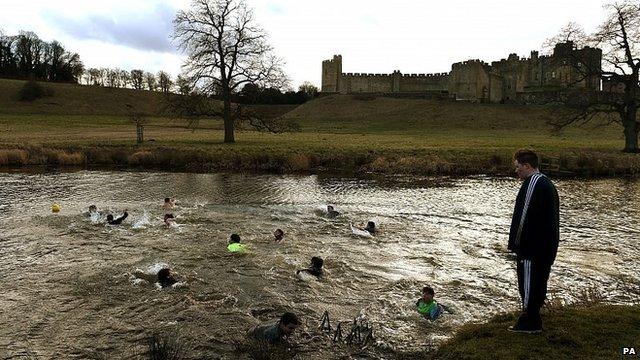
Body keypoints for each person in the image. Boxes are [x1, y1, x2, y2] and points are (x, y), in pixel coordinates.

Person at [507, 149, 559, 333]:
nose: (516, 171)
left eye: (517, 167)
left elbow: (523, 216)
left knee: (527, 284)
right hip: (545, 247)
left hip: (532, 248)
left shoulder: (533, 183)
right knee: (538, 283)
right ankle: (533, 319)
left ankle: (529, 322)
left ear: (527, 165)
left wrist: (515, 244)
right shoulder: (547, 183)